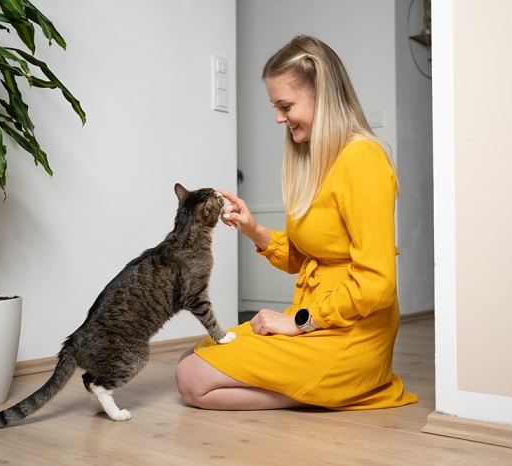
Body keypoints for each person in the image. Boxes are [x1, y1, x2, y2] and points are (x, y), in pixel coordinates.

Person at [175, 35, 418, 411]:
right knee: (198, 353)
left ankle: (333, 386)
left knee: (192, 377)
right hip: (317, 322)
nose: (278, 118)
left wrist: (299, 322)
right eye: (275, 106)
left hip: (350, 335)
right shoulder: (314, 160)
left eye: (285, 105)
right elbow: (308, 256)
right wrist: (254, 229)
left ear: (323, 95)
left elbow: (376, 284)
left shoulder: (363, 159)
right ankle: (313, 388)